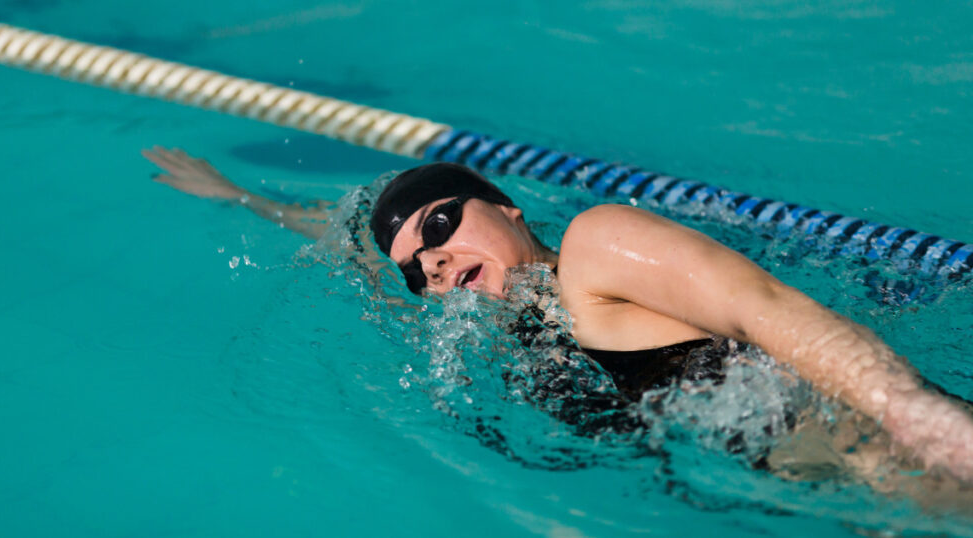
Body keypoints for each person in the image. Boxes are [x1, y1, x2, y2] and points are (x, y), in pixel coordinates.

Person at [143, 146, 973, 493]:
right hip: (821, 489)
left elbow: (768, 310)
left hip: (892, 451)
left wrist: (923, 421)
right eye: (415, 271)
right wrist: (242, 198)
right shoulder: (509, 325)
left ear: (506, 207)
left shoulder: (595, 247)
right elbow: (360, 250)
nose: (430, 262)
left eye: (440, 227)